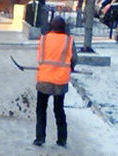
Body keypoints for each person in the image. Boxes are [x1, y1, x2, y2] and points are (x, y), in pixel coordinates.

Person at [33, 16, 77, 147]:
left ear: (51, 26)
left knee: (41, 109)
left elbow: (40, 58)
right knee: (59, 110)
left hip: (44, 80)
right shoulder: (68, 41)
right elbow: (74, 58)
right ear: (64, 27)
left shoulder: (44, 39)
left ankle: (40, 138)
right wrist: (71, 67)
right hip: (60, 81)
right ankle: (62, 139)